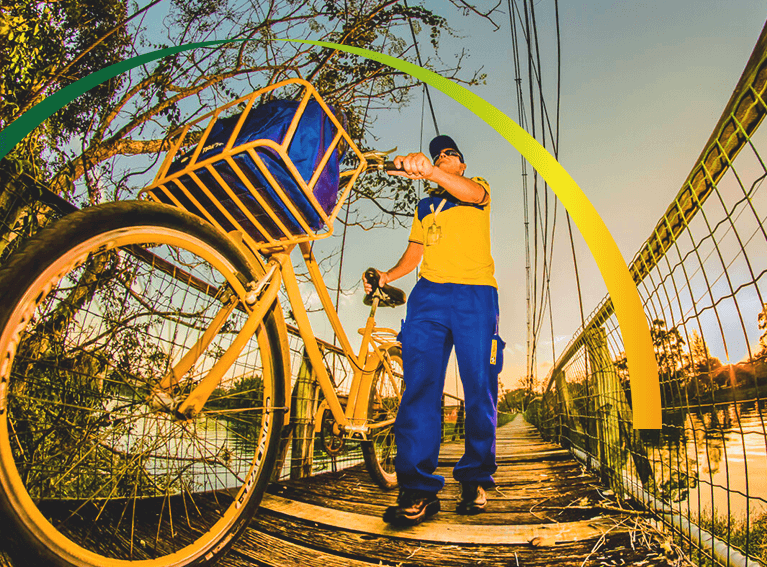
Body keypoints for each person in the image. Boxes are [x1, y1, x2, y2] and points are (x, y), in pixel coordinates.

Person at [363, 135, 502, 527]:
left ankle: (475, 477)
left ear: (460, 164)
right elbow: (415, 252)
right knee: (419, 387)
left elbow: (472, 192)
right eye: (439, 154)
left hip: (476, 295)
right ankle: (418, 489)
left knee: (479, 386)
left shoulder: (478, 189)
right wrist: (387, 276)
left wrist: (432, 169)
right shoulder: (426, 206)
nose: (444, 157)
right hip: (428, 297)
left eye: (450, 154)